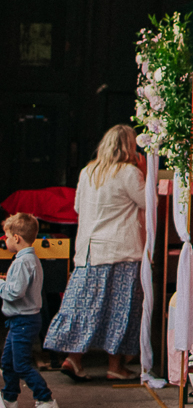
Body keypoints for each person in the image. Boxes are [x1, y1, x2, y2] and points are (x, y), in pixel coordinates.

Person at [45, 124, 145, 382]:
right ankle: (115, 366)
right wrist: (145, 171)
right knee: (120, 310)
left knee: (83, 306)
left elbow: (78, 207)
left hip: (88, 251)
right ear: (129, 146)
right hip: (120, 249)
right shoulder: (129, 173)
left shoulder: (88, 171)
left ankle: (74, 359)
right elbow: (148, 203)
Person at [2, 213, 59, 408]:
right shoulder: (30, 259)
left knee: (21, 365)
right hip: (22, 320)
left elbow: (14, 293)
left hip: (23, 321)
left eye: (7, 237)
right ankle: (9, 399)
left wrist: (1, 284)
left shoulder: (21, 262)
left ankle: (46, 400)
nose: (6, 241)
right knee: (8, 362)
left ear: (16, 238)